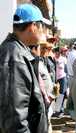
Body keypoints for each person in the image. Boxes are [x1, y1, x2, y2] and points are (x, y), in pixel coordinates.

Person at [0, 4, 50, 133]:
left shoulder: (18, 51)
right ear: (33, 26)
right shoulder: (14, 57)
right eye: (43, 27)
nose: (44, 32)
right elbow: (14, 120)